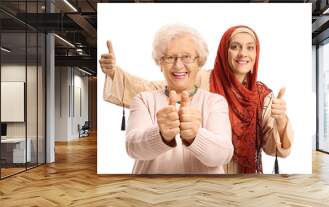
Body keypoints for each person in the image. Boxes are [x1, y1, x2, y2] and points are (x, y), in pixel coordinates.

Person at [100, 25, 294, 174]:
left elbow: (272, 147)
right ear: (224, 52)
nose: (243, 53)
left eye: (250, 48)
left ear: (256, 55)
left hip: (241, 176)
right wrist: (116, 73)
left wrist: (282, 120)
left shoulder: (263, 96)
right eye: (235, 47)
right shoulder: (202, 78)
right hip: (205, 173)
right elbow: (159, 90)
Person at [123, 24, 233, 174]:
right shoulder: (143, 100)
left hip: (204, 194)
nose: (178, 65)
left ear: (199, 62)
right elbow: (132, 147)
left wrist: (195, 136)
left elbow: (223, 154)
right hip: (153, 194)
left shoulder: (215, 102)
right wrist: (161, 135)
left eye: (186, 57)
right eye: (169, 57)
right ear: (160, 63)